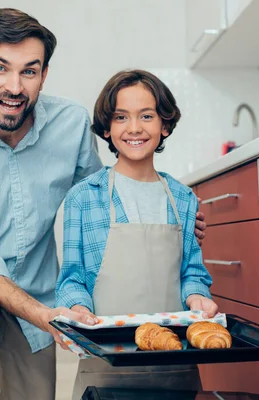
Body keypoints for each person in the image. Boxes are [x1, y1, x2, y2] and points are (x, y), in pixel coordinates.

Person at [0, 8, 208, 400]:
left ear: (43, 75)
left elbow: (99, 196)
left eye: (29, 71)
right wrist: (40, 314)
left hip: (34, 282)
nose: (14, 86)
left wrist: (168, 218)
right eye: (0, 68)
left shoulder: (70, 123)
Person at [55, 69, 218, 400]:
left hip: (175, 367)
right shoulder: (84, 197)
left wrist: (198, 297)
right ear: (106, 128)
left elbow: (192, 272)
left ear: (165, 125)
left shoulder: (183, 198)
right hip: (104, 366)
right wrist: (77, 310)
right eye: (120, 117)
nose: (134, 128)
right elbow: (72, 280)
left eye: (146, 116)